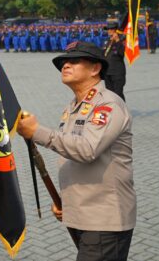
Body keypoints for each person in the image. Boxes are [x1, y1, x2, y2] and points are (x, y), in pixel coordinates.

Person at [17, 41, 136, 261]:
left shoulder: (107, 105)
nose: (65, 66)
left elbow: (87, 150)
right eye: (63, 62)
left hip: (103, 218)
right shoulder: (74, 106)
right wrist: (66, 201)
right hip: (83, 213)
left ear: (95, 68)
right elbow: (72, 156)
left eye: (74, 61)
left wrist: (37, 132)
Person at [102, 21, 126, 101]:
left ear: (116, 30)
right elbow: (103, 54)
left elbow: (121, 53)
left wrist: (117, 40)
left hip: (117, 72)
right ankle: (113, 112)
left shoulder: (121, 40)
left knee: (118, 94)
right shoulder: (107, 41)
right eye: (108, 29)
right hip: (107, 72)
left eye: (111, 29)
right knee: (109, 94)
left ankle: (122, 112)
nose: (109, 30)